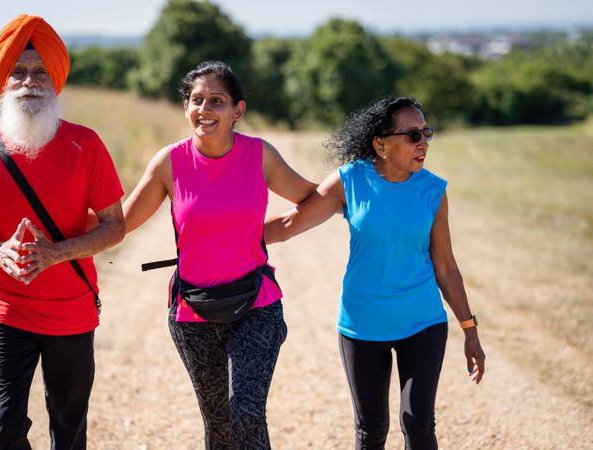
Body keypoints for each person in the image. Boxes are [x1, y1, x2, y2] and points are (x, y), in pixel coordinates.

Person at [265, 97, 486, 450]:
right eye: (413, 135)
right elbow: (292, 223)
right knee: (371, 430)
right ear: (380, 144)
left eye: (426, 133)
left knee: (417, 424)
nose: (424, 143)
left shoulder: (433, 190)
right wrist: (229, 243)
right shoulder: (350, 180)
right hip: (362, 326)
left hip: (423, 323)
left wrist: (469, 330)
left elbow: (445, 266)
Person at [0, 14, 125, 449]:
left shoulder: (86, 144)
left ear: (56, 80)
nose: (30, 81)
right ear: (3, 82)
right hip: (6, 307)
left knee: (68, 429)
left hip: (72, 309)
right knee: (5, 427)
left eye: (41, 71)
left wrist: (57, 253)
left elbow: (114, 225)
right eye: (19, 72)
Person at [123, 60, 316, 449]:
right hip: (192, 310)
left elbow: (312, 198)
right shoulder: (168, 163)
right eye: (196, 100)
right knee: (218, 422)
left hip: (255, 304)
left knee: (245, 411)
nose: (204, 110)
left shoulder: (259, 155)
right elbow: (120, 224)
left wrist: (269, 233)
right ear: (185, 107)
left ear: (237, 111)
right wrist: (58, 238)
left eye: (217, 101)